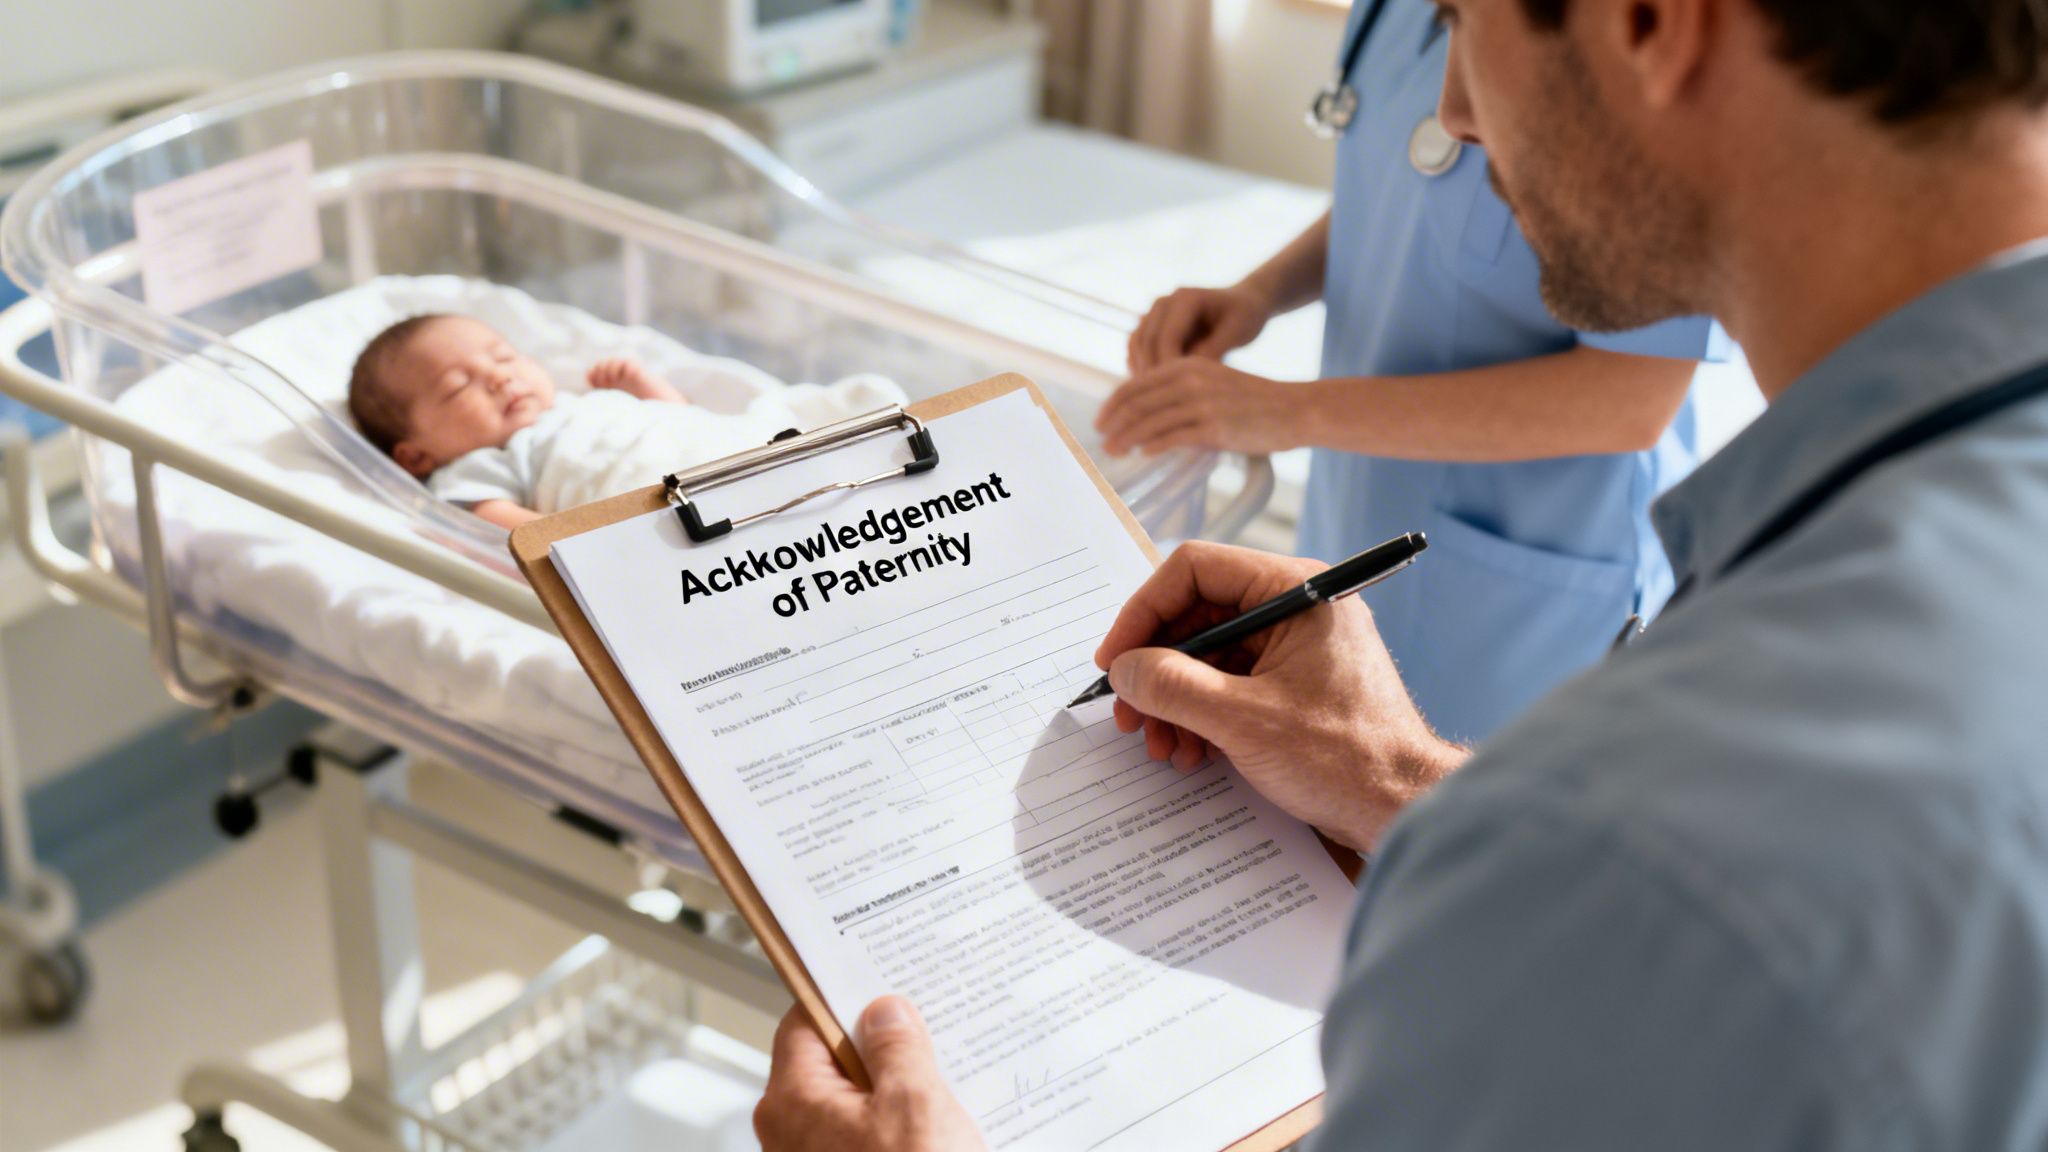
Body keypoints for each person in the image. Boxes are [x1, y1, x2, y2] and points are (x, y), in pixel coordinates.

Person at [755, 0, 2048, 1147]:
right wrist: (1414, 790)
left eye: (1468, 26)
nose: (1451, 117)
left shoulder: (1647, 845)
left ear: (1653, 20)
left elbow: (1688, 914)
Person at [1095, 0, 1729, 745]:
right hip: (1363, 503)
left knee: (1469, 828)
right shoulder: (1397, 12)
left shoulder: (1629, 48)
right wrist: (1259, 294)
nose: (1457, 112)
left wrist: (1288, 413)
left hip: (1524, 592)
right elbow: (1394, 184)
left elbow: (1629, 398)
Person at [347, 314, 900, 529]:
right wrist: (569, 541)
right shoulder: (478, 466)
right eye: (457, 386)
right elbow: (493, 523)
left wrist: (644, 389)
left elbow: (677, 420)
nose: (498, 378)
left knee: (780, 446)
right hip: (654, 494)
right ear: (416, 454)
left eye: (502, 356)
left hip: (719, 446)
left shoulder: (580, 402)